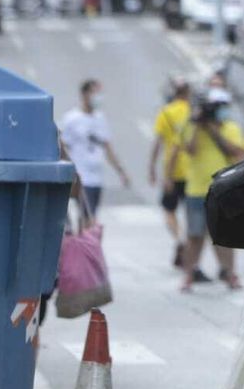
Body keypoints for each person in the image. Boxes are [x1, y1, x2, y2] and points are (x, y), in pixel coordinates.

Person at [170, 88, 244, 292]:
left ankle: (230, 274)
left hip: (221, 188)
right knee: (194, 235)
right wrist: (198, 125)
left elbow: (235, 151)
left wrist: (213, 129)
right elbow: (190, 149)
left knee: (225, 235)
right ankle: (188, 275)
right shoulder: (190, 126)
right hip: (196, 190)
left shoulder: (229, 126)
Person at [58, 79, 131, 216]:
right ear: (84, 94)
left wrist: (121, 171)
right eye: (94, 92)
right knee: (87, 217)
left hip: (97, 178)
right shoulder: (71, 119)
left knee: (91, 216)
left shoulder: (100, 118)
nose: (98, 96)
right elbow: (62, 146)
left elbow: (107, 147)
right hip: (81, 177)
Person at [148, 77, 192, 268]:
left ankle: (179, 239)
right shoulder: (193, 112)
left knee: (169, 210)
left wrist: (151, 167)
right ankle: (190, 243)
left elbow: (158, 142)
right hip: (192, 170)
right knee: (192, 211)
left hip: (171, 170)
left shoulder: (165, 112)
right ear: (188, 93)